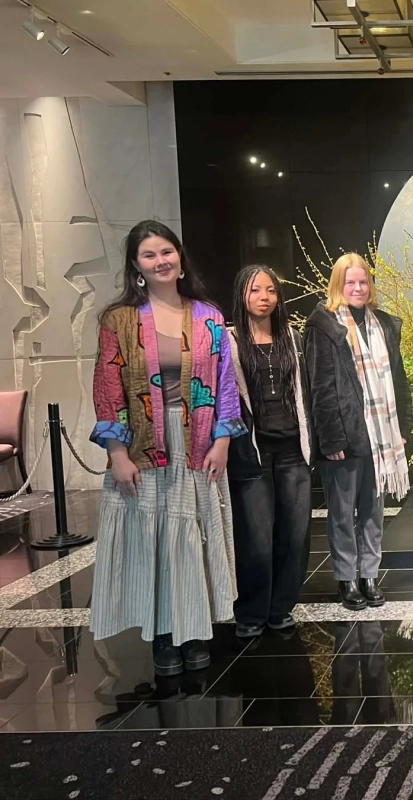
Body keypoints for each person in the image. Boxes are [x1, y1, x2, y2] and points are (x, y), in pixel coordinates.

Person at [90, 220, 246, 675]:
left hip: (197, 444)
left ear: (180, 257)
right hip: (142, 447)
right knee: (154, 539)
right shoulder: (117, 319)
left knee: (193, 537)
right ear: (136, 266)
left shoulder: (208, 316)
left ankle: (195, 629)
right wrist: (117, 455)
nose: (160, 261)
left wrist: (223, 442)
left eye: (166, 252)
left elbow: (225, 385)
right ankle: (163, 636)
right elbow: (108, 390)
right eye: (149, 255)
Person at [305, 253, 412, 611]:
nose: (358, 288)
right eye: (350, 282)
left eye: (363, 282)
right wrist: (331, 438)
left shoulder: (384, 324)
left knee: (373, 511)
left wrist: (402, 429)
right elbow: (319, 387)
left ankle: (369, 575)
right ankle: (346, 579)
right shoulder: (324, 326)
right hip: (345, 435)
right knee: (341, 512)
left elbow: (398, 382)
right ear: (338, 285)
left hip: (381, 436)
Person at [227, 265, 313, 639]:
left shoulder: (292, 338)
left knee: (295, 534)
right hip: (252, 452)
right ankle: (251, 611)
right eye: (255, 290)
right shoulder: (228, 341)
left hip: (294, 449)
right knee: (256, 537)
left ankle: (281, 608)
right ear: (242, 296)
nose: (264, 297)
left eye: (271, 290)